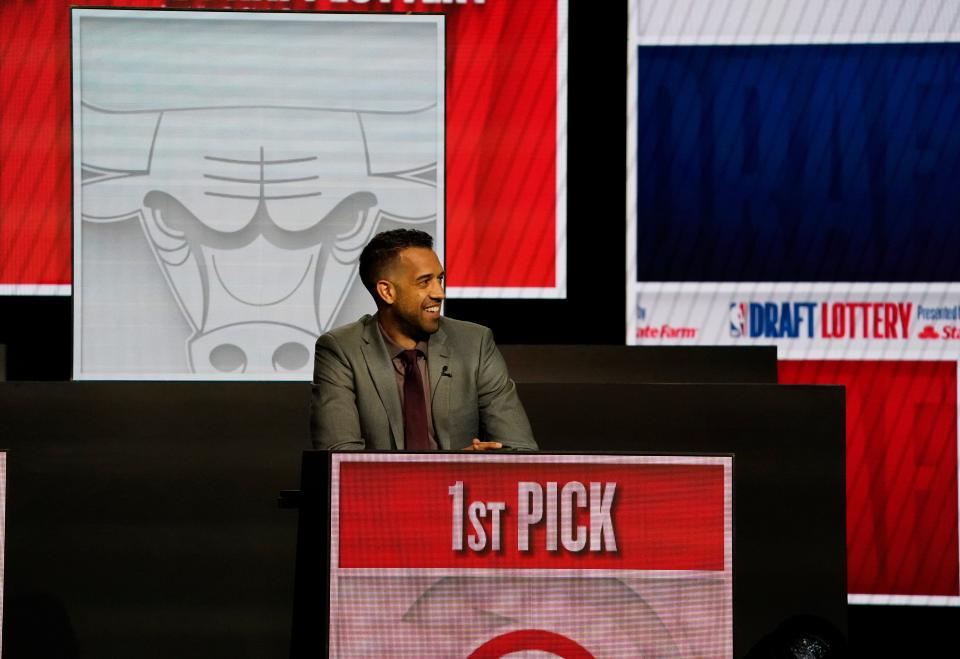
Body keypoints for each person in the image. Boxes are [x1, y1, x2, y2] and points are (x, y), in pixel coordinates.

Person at [311, 229, 538, 451]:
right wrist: (451, 469)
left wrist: (471, 470)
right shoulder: (341, 350)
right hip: (384, 490)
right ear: (387, 292)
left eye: (439, 279)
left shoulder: (475, 344)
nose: (439, 293)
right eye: (424, 282)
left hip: (463, 489)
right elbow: (340, 461)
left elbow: (519, 448)